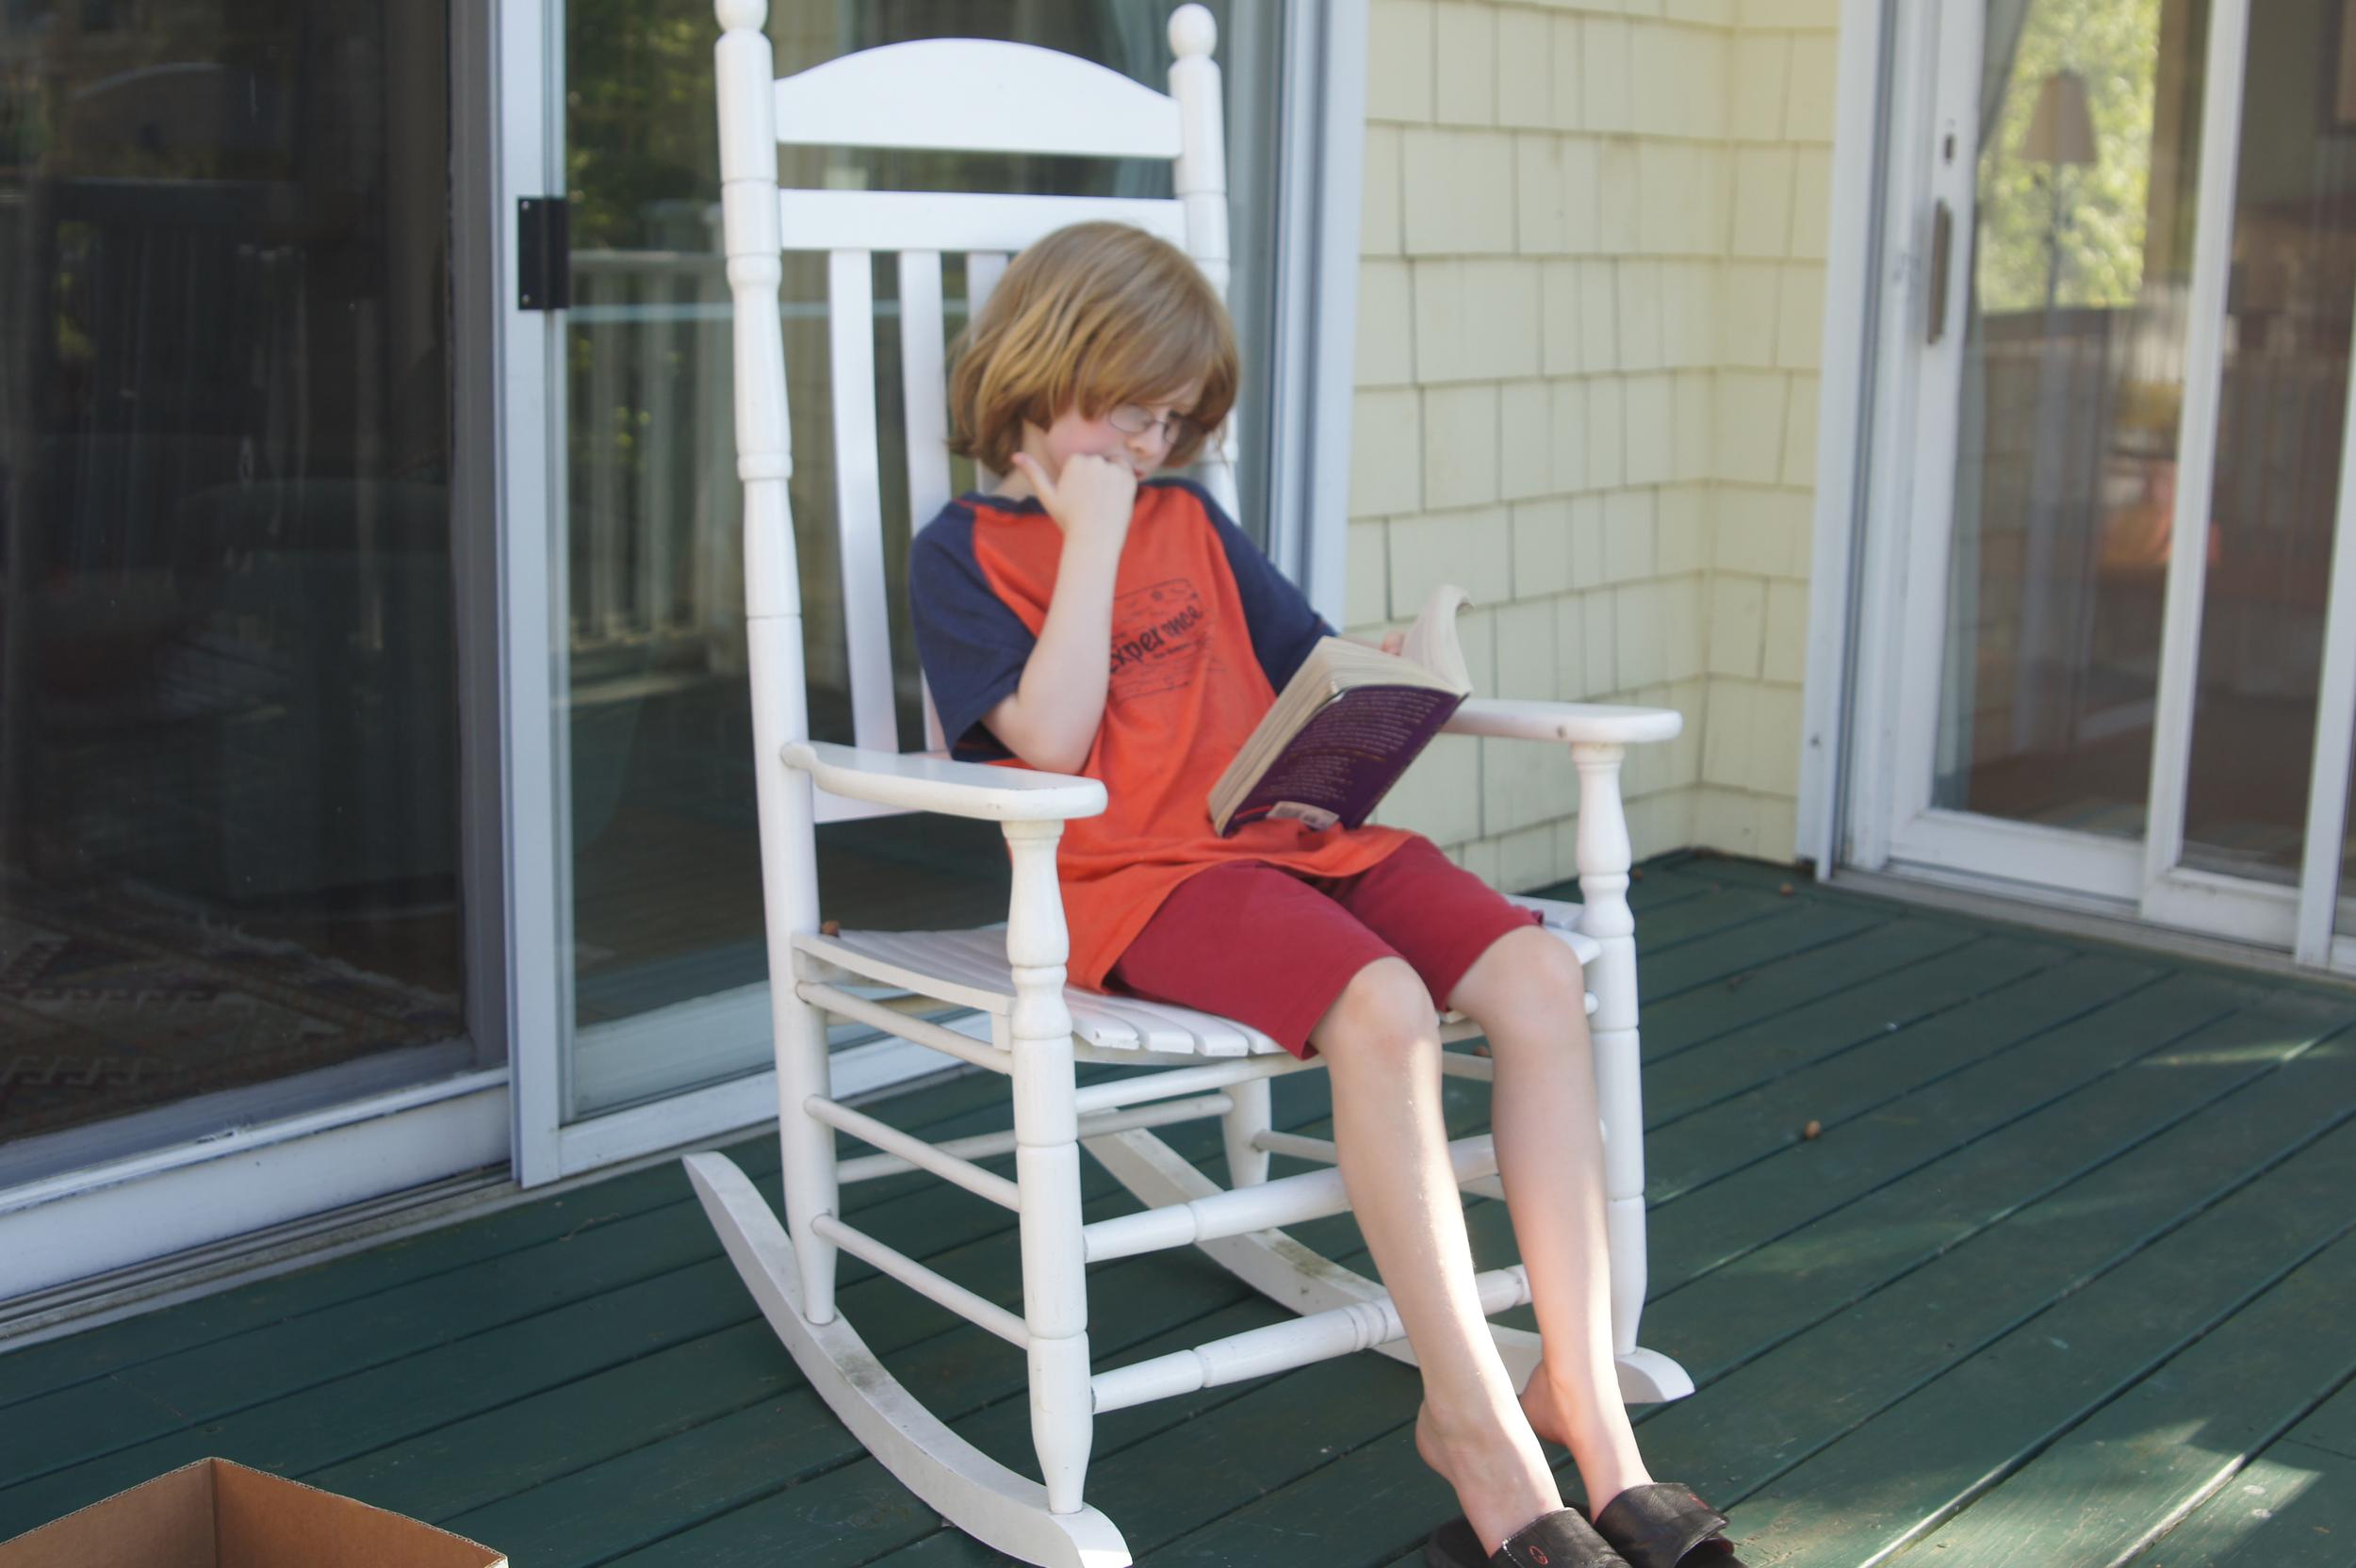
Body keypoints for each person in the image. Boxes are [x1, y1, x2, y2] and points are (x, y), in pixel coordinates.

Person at [908, 220, 1743, 1568]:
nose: (1155, 446)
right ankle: (1473, 1429)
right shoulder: (963, 553)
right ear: (1049, 363)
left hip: (1286, 845)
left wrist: (1399, 663)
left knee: (1537, 974)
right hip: (1135, 884)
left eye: (1176, 425)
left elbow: (1307, 666)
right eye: (1136, 412)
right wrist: (1098, 537)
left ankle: (1582, 1400)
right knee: (1384, 1006)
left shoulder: (1192, 518)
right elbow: (1050, 742)